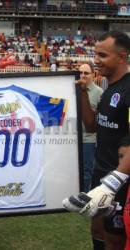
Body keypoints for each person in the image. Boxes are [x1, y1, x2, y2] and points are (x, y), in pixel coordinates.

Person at [63, 31, 130, 250]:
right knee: (97, 229)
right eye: (95, 54)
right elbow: (92, 126)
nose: (96, 60)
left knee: (114, 239)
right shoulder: (109, 90)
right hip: (101, 173)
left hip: (119, 180)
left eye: (103, 55)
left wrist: (113, 183)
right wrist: (83, 93)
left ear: (122, 57)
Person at [78, 63, 103, 192]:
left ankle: (86, 196)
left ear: (93, 74)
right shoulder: (75, 89)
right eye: (80, 72)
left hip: (89, 139)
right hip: (74, 139)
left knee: (87, 170)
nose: (82, 75)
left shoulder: (99, 93)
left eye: (86, 73)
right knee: (76, 169)